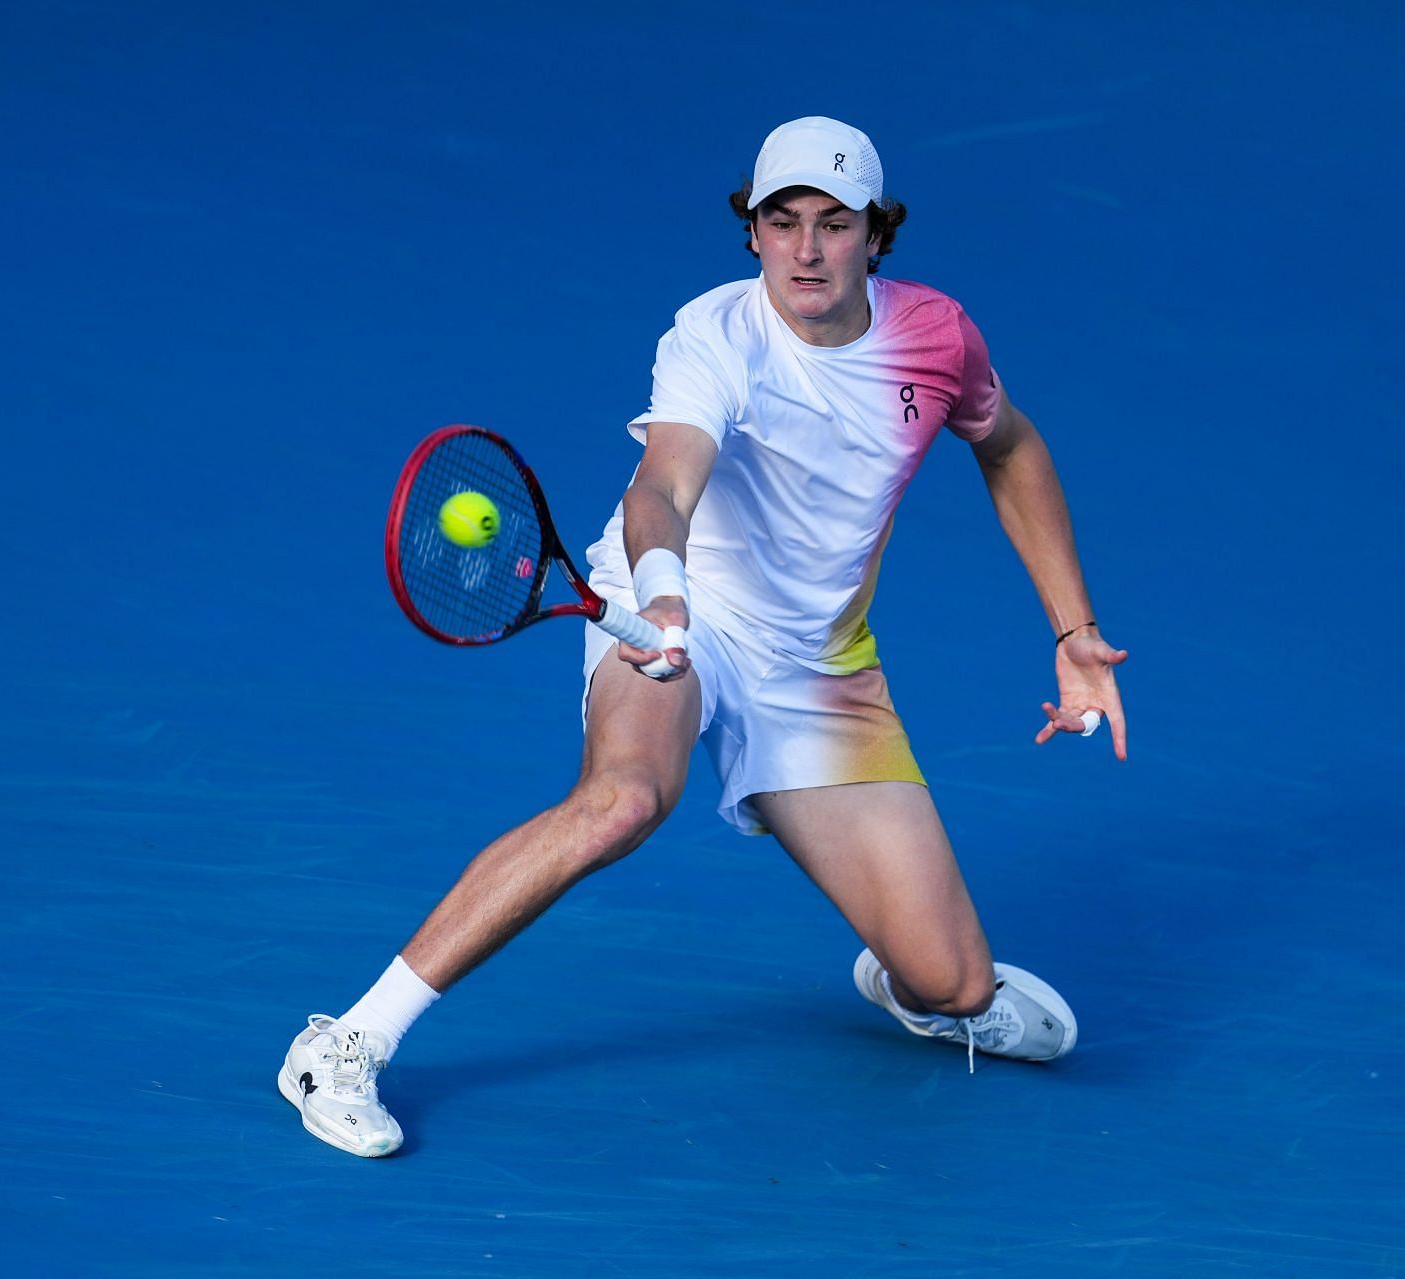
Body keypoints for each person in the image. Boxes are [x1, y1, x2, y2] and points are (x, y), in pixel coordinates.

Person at [278, 116, 1129, 1158]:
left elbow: (1011, 445)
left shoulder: (936, 339)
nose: (807, 250)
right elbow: (665, 481)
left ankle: (899, 969)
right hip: (680, 611)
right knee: (626, 799)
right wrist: (665, 595)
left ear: (876, 234)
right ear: (754, 232)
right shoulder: (714, 337)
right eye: (782, 222)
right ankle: (346, 1040)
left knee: (953, 981)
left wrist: (1073, 630)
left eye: (833, 223)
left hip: (821, 669)